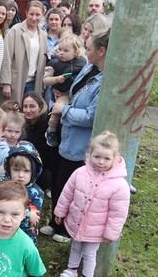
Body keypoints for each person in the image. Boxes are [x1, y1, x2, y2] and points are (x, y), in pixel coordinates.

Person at [40, 29, 110, 243]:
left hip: (80, 144)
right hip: (66, 136)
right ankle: (55, 221)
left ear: (101, 51)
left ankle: (67, 229)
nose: (84, 52)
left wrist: (65, 111)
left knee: (74, 187)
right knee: (59, 182)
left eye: (88, 48)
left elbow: (91, 117)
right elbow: (74, 92)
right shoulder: (89, 67)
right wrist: (63, 98)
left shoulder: (104, 81)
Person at [54, 131, 131, 277]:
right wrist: (60, 212)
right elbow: (67, 193)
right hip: (76, 221)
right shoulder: (80, 172)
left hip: (96, 229)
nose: (101, 162)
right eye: (97, 157)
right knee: (75, 246)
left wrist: (111, 233)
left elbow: (118, 213)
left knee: (90, 254)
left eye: (106, 158)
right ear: (90, 154)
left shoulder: (119, 185)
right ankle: (72, 270)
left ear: (115, 158)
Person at [0, 0, 48, 105]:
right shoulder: (15, 31)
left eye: (37, 14)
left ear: (42, 15)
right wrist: (6, 82)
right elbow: (6, 57)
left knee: (29, 114)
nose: (34, 18)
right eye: (31, 14)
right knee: (13, 112)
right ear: (26, 13)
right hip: (16, 81)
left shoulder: (43, 35)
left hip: (34, 82)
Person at [43, 34, 87, 146]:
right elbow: (45, 80)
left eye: (66, 50)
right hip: (64, 93)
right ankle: (51, 130)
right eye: (60, 50)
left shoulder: (82, 63)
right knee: (58, 109)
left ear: (76, 52)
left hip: (79, 93)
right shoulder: (55, 63)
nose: (61, 53)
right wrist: (57, 79)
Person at [3, 142, 44, 245]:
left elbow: (35, 216)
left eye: (26, 171)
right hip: (4, 228)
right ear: (9, 169)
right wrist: (28, 213)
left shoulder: (36, 193)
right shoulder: (3, 187)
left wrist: (29, 214)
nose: (20, 175)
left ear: (33, 172)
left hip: (25, 233)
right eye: (16, 170)